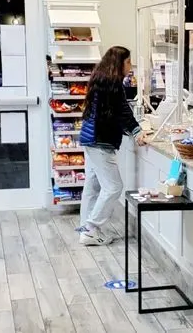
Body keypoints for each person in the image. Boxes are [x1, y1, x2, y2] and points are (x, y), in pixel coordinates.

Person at [79, 46, 146, 245]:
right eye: (127, 62)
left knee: (92, 186)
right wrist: (136, 131)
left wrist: (130, 129)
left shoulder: (99, 78)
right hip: (100, 141)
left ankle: (86, 230)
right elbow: (123, 111)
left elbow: (112, 112)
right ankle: (91, 229)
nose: (130, 66)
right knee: (113, 187)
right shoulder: (114, 83)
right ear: (118, 63)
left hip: (90, 139)